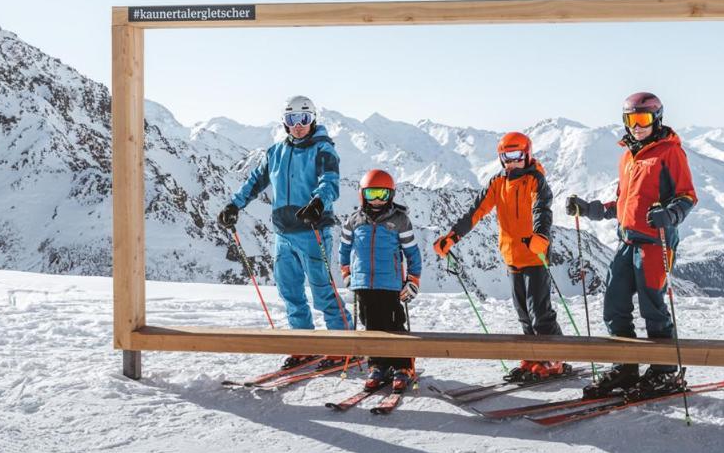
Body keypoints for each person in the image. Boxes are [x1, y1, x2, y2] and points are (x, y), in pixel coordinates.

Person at [564, 92, 697, 398]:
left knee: (653, 307)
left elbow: (687, 196)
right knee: (614, 303)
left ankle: (664, 371)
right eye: (631, 120)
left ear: (656, 119)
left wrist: (671, 213)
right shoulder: (628, 155)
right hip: (627, 242)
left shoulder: (670, 153)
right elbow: (622, 202)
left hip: (656, 241)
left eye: (643, 119)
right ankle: (626, 366)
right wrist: (590, 209)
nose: (637, 126)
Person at [217, 95, 352, 370]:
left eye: (304, 119)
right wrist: (234, 204)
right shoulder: (276, 152)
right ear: (285, 122)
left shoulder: (323, 149)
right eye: (292, 120)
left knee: (322, 290)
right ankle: (303, 345)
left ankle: (344, 344)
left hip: (313, 231)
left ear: (313, 119)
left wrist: (318, 202)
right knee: (289, 291)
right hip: (283, 233)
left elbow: (330, 182)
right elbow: (255, 182)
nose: (298, 125)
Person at [433, 132, 570, 382]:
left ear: (526, 154)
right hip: (512, 256)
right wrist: (452, 237)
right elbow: (475, 212)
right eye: (506, 156)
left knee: (540, 312)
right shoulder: (498, 182)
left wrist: (541, 235)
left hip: (534, 254)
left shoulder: (535, 180)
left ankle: (554, 359)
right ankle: (533, 355)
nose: (512, 161)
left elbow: (542, 209)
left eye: (517, 155)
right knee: (523, 313)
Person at [339, 169, 422, 394]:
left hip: (391, 283)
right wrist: (347, 273)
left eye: (383, 195)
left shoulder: (400, 220)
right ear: (362, 195)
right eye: (372, 194)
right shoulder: (354, 221)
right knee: (370, 324)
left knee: (393, 325)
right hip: (363, 283)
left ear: (391, 195)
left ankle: (402, 366)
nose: (377, 200)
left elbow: (412, 253)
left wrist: (412, 281)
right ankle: (377, 364)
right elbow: (344, 249)